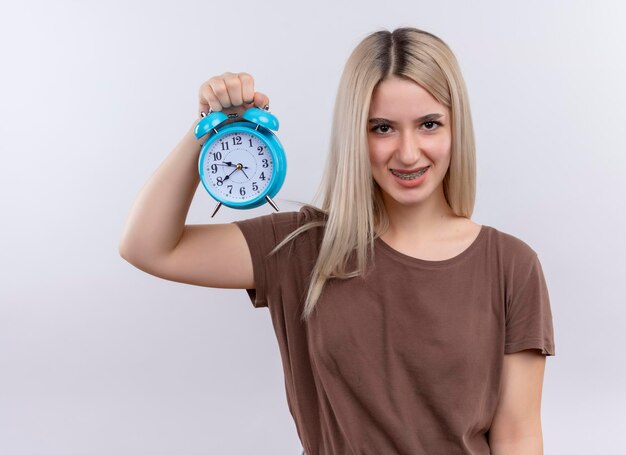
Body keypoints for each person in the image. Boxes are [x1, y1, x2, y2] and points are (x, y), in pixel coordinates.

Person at [120, 27, 555, 455]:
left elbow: (517, 438)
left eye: (428, 124)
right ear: (355, 135)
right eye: (382, 128)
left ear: (455, 128)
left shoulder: (510, 265)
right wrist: (209, 128)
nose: (407, 152)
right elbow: (147, 246)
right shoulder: (302, 250)